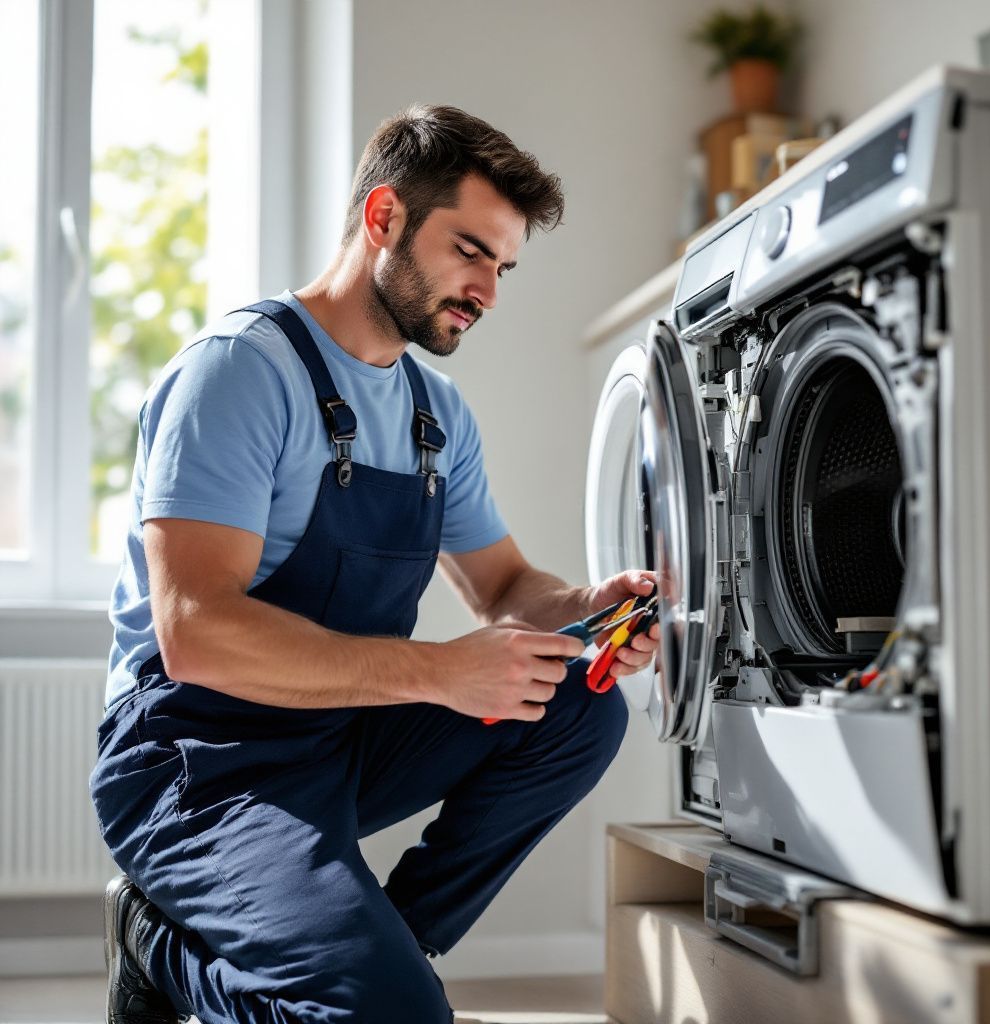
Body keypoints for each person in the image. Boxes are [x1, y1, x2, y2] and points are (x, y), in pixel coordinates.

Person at [90, 104, 659, 1024]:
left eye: (503, 268)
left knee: (578, 702)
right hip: (196, 761)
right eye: (471, 251)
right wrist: (437, 672)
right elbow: (194, 635)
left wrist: (587, 604)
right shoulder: (237, 372)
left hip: (337, 739)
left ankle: (393, 949)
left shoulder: (437, 414)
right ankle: (155, 944)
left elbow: (508, 591)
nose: (488, 292)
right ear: (385, 217)